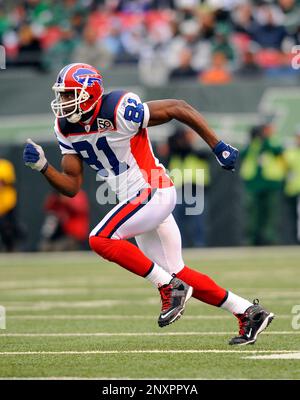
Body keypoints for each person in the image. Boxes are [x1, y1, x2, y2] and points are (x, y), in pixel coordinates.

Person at [23, 62, 274, 345]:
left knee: (100, 238)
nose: (64, 101)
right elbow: (71, 185)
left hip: (152, 190)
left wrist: (217, 145)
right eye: (62, 95)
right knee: (177, 270)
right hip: (138, 201)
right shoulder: (65, 127)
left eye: (70, 94)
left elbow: (179, 107)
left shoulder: (117, 107)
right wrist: (44, 166)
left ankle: (169, 287)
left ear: (89, 92)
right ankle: (248, 313)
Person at [240, 120, 286, 245]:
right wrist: (254, 140)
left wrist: (265, 139)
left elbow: (278, 151)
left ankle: (270, 239)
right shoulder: (253, 144)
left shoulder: (273, 141)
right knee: (253, 213)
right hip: (254, 184)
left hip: (271, 183)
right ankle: (252, 239)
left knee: (271, 213)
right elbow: (243, 154)